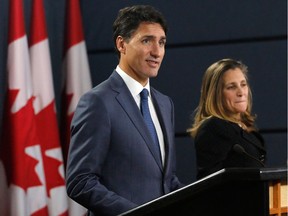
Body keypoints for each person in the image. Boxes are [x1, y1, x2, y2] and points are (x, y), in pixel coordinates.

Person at [65, 5, 183, 216]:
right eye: (146, 40)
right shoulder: (98, 102)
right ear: (122, 44)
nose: (157, 51)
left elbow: (167, 180)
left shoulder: (165, 105)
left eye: (162, 42)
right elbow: (80, 181)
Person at [188, 58, 266, 180]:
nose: (241, 92)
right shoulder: (213, 128)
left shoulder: (246, 126)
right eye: (231, 87)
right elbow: (209, 185)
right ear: (216, 94)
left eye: (243, 84)